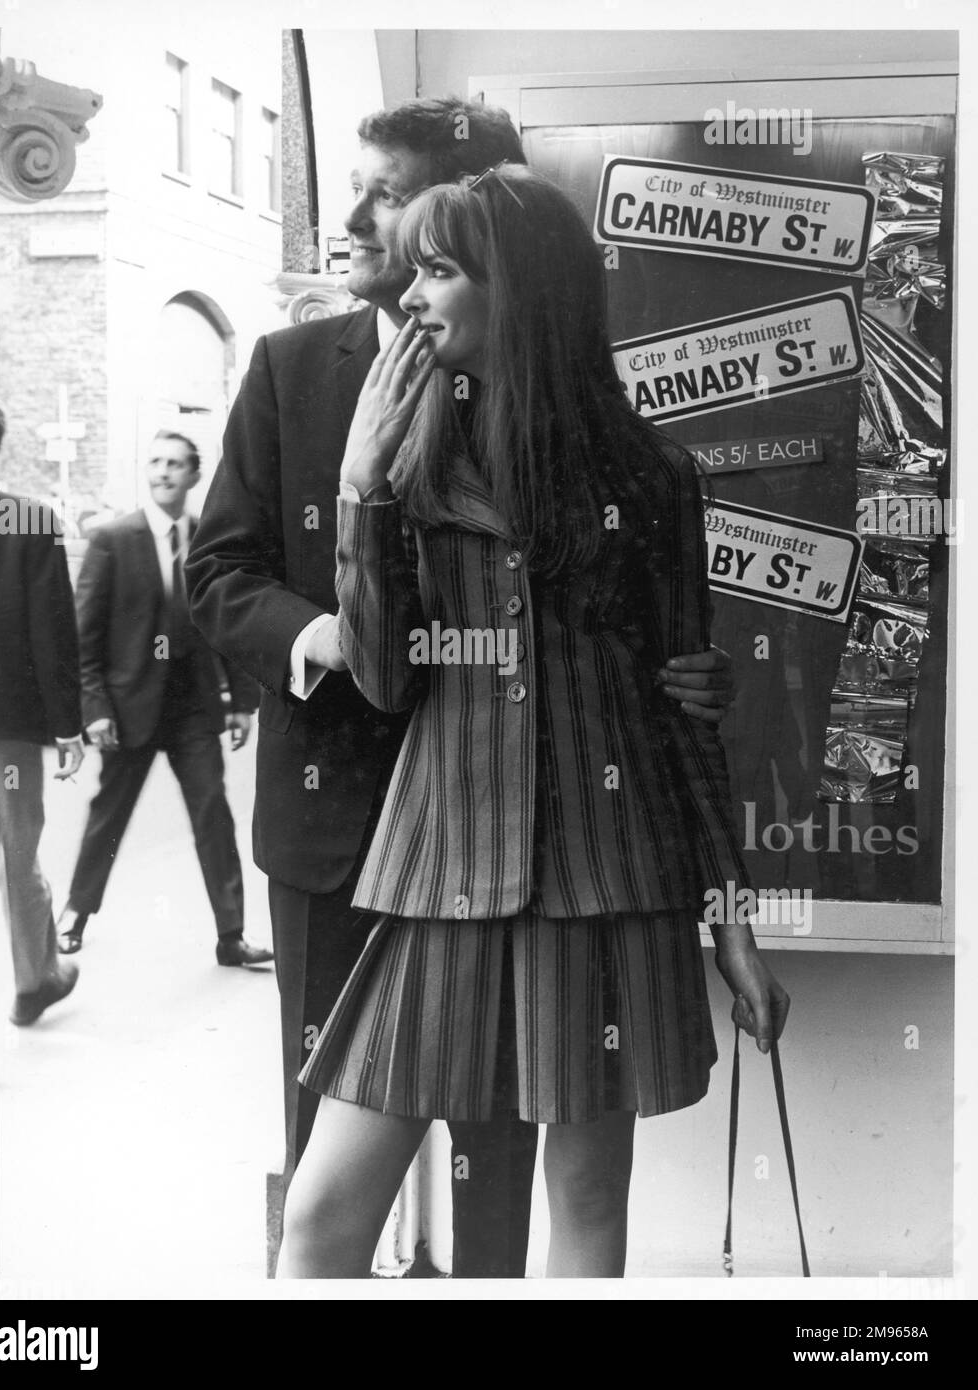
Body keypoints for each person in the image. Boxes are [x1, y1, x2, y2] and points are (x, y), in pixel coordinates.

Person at [187, 97, 734, 1278]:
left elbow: (673, 691)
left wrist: (731, 899)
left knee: (552, 1201)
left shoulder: (642, 473)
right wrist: (356, 506)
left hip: (594, 865)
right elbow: (243, 587)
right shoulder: (318, 385)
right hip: (387, 853)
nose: (367, 234)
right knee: (326, 1196)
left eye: (398, 205)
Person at [54, 431, 271, 969]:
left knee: (213, 815)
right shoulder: (113, 539)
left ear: (195, 475)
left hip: (193, 708)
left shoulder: (208, 540)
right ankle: (75, 915)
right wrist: (95, 710)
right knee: (110, 814)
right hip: (128, 710)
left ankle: (231, 936)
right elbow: (83, 639)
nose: (164, 472)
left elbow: (229, 623)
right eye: (155, 462)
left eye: (176, 464)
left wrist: (242, 701)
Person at [0, 384, 84, 1025]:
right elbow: (53, 635)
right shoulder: (30, 520)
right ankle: (33, 975)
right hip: (8, 727)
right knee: (16, 849)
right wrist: (68, 727)